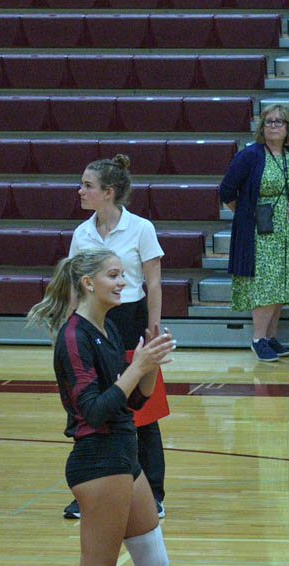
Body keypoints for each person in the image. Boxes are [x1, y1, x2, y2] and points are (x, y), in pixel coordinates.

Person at [28, 247, 209, 566]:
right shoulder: (73, 338)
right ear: (88, 282)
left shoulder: (107, 330)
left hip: (125, 457)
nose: (123, 281)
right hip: (98, 462)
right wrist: (135, 368)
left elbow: (130, 404)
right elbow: (94, 409)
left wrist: (151, 364)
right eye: (113, 274)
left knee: (153, 562)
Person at [64, 154, 168, 520]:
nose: (80, 191)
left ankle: (153, 493)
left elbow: (153, 281)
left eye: (87, 186)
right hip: (92, 324)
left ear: (108, 192)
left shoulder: (141, 228)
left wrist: (152, 330)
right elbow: (75, 289)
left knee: (143, 411)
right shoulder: (82, 233)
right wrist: (67, 330)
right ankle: (91, 490)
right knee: (92, 408)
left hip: (130, 322)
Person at [218, 104, 289, 361]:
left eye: (279, 122)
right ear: (262, 127)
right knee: (267, 286)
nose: (273, 126)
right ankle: (258, 338)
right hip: (263, 234)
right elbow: (226, 191)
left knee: (281, 284)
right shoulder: (250, 156)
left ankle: (271, 337)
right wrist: (247, 214)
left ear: (288, 128)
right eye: (268, 121)